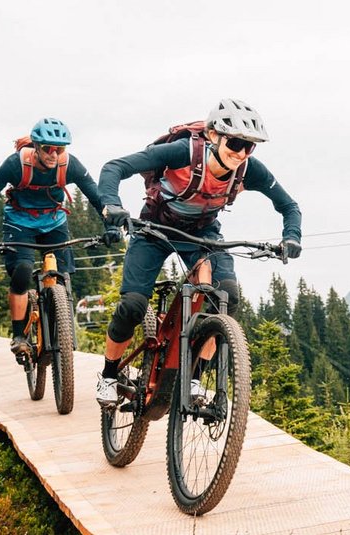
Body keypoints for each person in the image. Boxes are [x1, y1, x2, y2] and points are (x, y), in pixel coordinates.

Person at [95, 98, 301, 406]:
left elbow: (288, 206)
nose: (241, 153)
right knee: (133, 306)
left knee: (226, 297)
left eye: (250, 147)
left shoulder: (247, 169)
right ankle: (109, 375)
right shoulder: (183, 152)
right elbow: (115, 167)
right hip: (154, 229)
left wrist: (291, 237)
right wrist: (111, 204)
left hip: (203, 234)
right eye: (235, 143)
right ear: (214, 135)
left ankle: (193, 379)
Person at [0, 118, 104, 363]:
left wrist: (111, 225)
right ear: (37, 147)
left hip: (53, 222)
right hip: (20, 222)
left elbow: (97, 197)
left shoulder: (69, 165)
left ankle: (59, 324)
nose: (54, 154)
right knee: (22, 269)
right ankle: (19, 336)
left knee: (63, 274)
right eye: (48, 148)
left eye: (60, 149)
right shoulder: (16, 165)